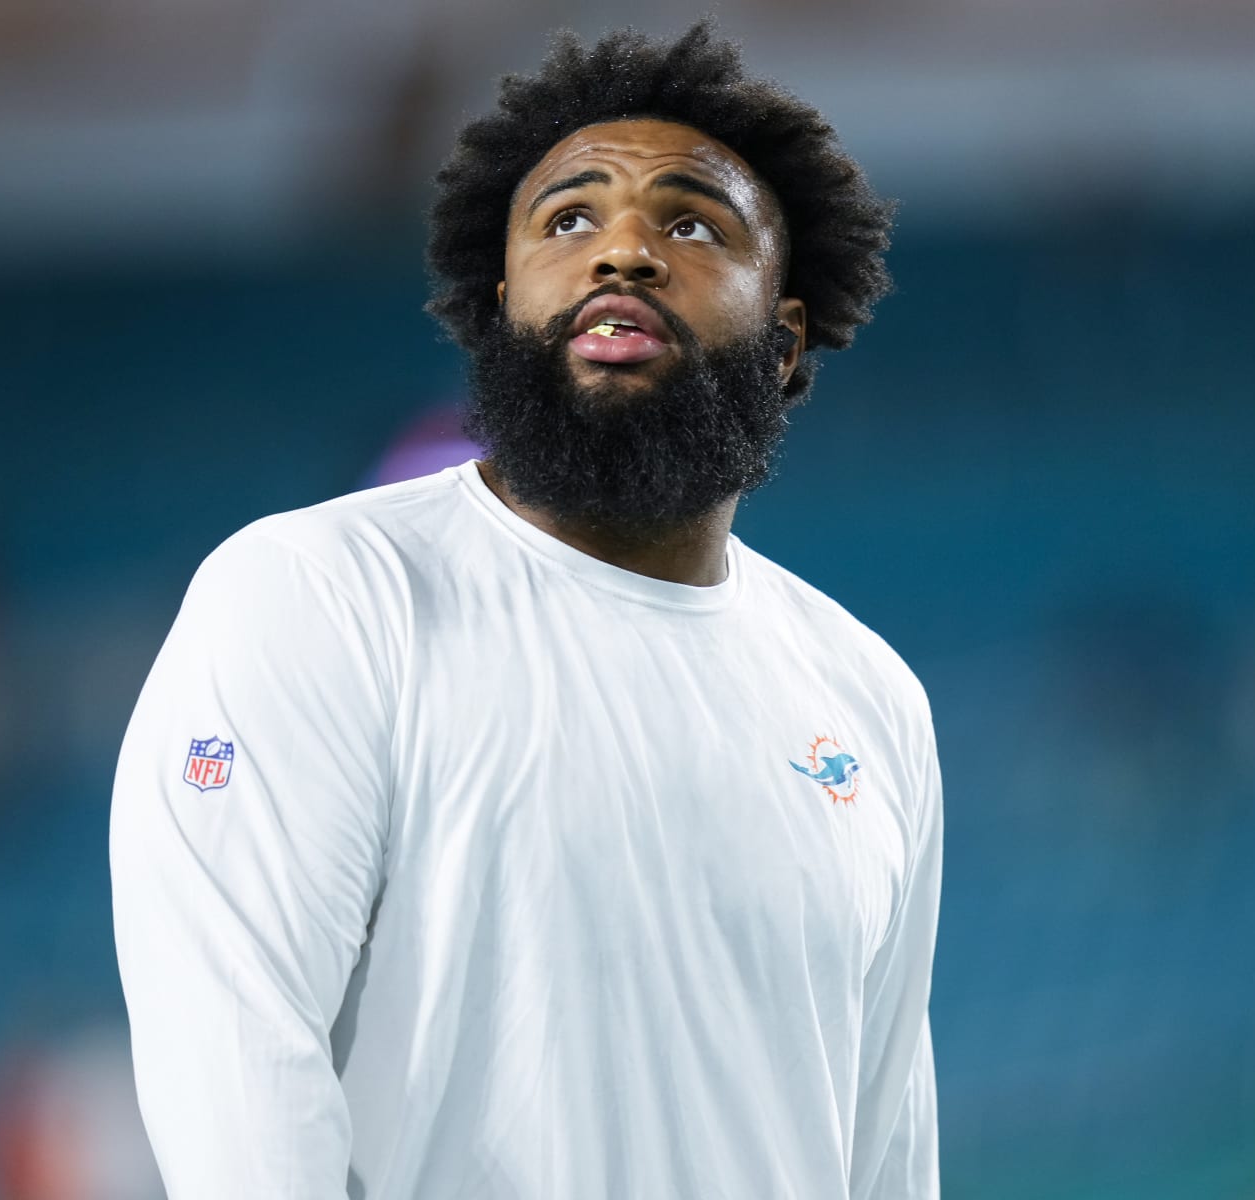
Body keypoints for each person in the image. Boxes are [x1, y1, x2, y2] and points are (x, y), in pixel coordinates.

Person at [111, 21, 941, 1199]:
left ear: (788, 334)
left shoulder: (870, 700)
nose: (625, 255)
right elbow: (237, 1073)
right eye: (569, 219)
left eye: (692, 222)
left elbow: (885, 1151)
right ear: (501, 306)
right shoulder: (318, 599)